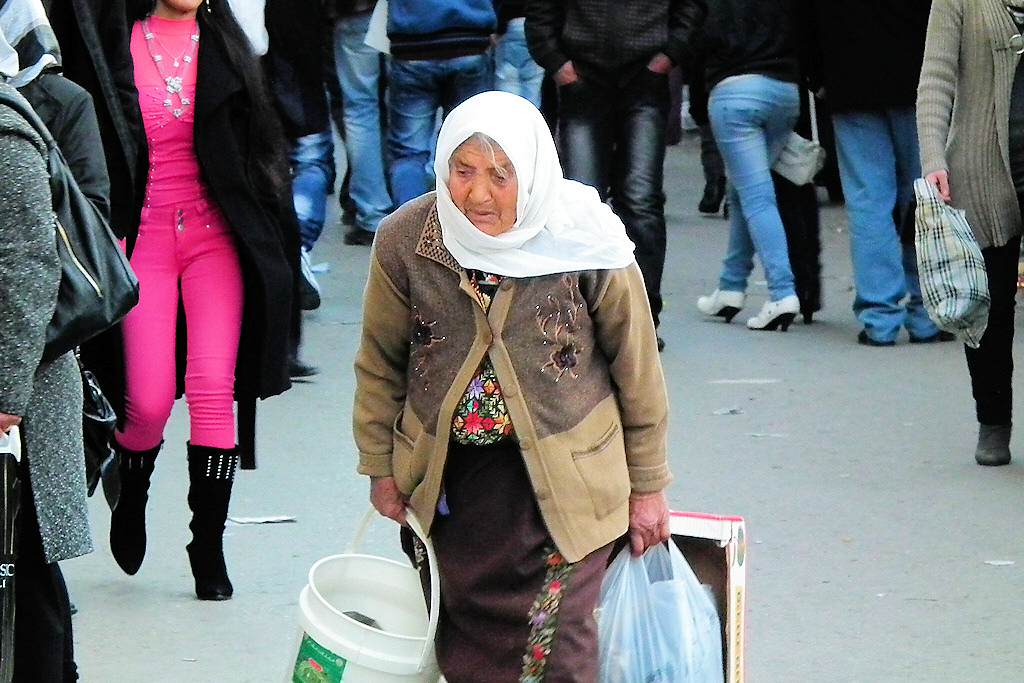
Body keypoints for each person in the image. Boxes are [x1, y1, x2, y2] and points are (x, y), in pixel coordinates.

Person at [353, 91, 672, 682]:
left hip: (567, 489)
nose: (478, 195)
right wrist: (380, 466)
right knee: (466, 657)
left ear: (532, 172)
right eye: (463, 171)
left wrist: (648, 486)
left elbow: (638, 370)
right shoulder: (407, 239)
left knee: (559, 658)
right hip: (451, 491)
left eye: (501, 175)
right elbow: (380, 362)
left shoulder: (586, 240)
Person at [106, 0, 296, 600]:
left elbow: (263, 151)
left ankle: (207, 546)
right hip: (143, 241)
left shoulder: (229, 46)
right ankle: (130, 488)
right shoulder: (121, 44)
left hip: (215, 240)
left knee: (215, 390)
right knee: (148, 403)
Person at [526, 0, 706, 350]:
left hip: (642, 77)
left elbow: (691, 9)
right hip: (585, 78)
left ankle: (642, 317)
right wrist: (558, 63)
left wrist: (668, 56)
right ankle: (579, 317)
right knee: (581, 205)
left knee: (640, 200)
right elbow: (540, 12)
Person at [0, 70, 92, 683]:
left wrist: (8, 393)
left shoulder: (5, 135)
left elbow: (30, 267)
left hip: (20, 395)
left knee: (22, 559)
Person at [918, 0, 1023, 465]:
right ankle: (993, 421)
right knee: (991, 306)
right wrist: (933, 158)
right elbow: (936, 78)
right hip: (982, 173)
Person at [808, 0, 948, 346]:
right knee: (925, 198)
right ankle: (927, 312)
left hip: (850, 80)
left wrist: (818, 76)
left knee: (868, 202)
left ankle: (880, 317)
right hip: (920, 80)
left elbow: (804, 18)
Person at [691, 0, 810, 331]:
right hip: (785, 90)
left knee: (757, 196)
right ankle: (731, 285)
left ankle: (782, 292)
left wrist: (700, 104)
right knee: (745, 190)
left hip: (734, 91)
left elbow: (701, 39)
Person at [385, 0, 497, 206]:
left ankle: (411, 223)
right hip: (470, 37)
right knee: (472, 144)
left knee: (409, 152)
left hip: (412, 42)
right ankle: (466, 220)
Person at [328, 0, 393, 246]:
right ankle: (410, 206)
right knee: (405, 107)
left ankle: (373, 214)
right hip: (411, 12)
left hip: (357, 10)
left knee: (360, 109)